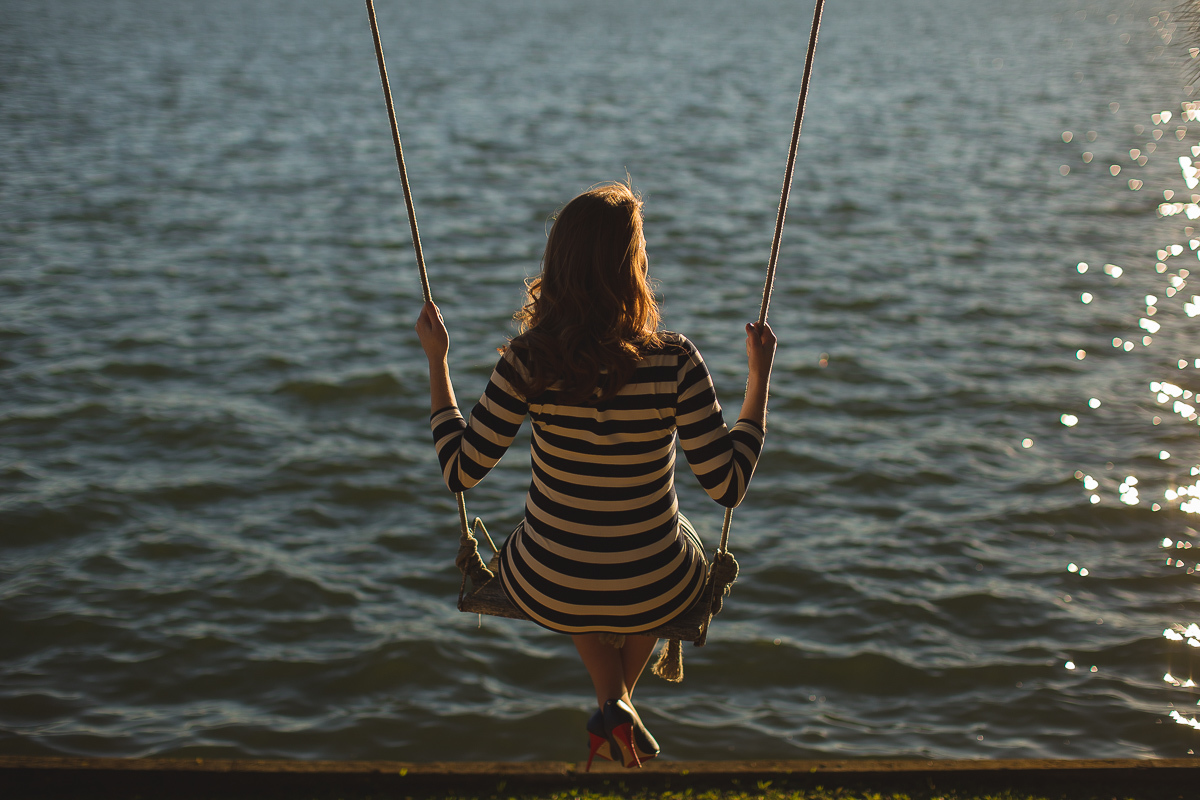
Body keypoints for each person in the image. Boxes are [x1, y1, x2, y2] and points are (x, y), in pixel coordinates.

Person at [415, 181, 776, 768]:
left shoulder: (529, 360)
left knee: (565, 542)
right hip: (656, 584)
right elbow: (727, 485)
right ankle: (618, 702)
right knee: (662, 546)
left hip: (548, 583)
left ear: (560, 264)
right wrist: (759, 377)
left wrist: (438, 362)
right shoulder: (675, 360)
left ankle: (613, 702)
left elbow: (460, 471)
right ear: (632, 268)